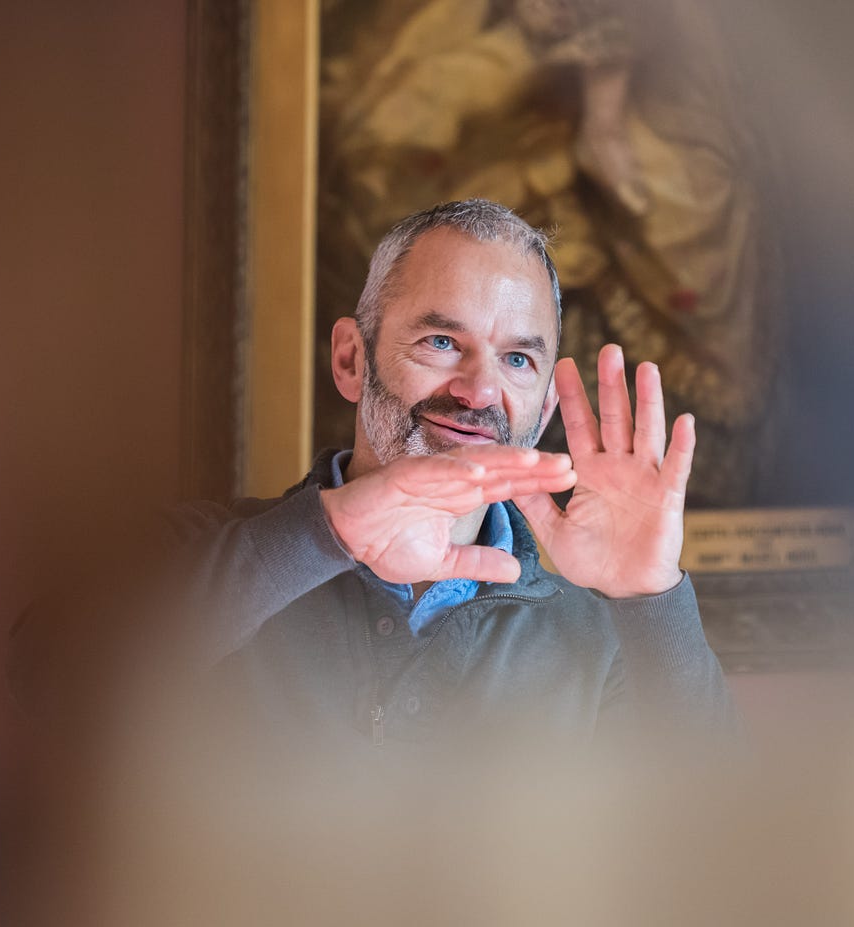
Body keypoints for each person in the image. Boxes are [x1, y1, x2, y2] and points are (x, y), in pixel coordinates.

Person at [171, 198, 734, 758]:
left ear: (541, 416)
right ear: (351, 360)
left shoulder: (602, 642)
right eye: (441, 342)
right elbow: (97, 666)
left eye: (517, 360)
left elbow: (714, 830)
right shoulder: (195, 551)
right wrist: (329, 535)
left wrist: (649, 600)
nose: (479, 392)